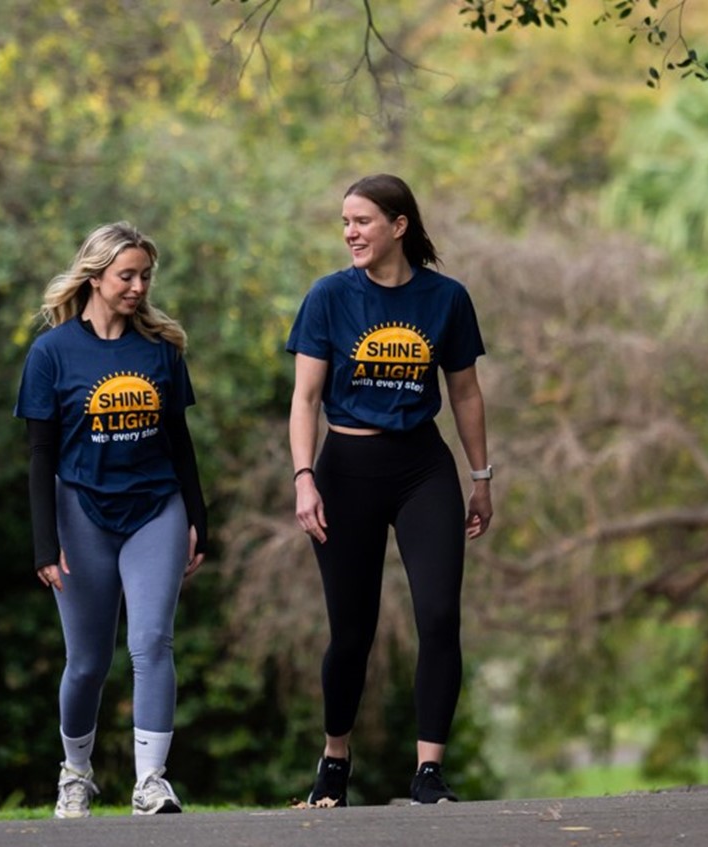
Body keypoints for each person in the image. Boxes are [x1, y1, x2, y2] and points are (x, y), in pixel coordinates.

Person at [287, 174, 493, 806]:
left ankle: (429, 770)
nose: (350, 232)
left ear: (398, 226)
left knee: (438, 614)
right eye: (344, 222)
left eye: (362, 221)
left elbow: (464, 392)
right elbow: (305, 398)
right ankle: (335, 758)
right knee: (353, 629)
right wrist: (303, 478)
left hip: (421, 468)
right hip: (345, 470)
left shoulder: (446, 299)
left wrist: (481, 477)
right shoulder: (328, 297)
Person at [14, 221, 207, 818]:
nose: (139, 286)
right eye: (128, 275)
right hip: (81, 515)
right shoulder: (51, 353)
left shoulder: (160, 349)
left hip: (156, 508)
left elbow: (178, 438)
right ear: (95, 276)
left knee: (152, 641)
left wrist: (198, 517)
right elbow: (41, 453)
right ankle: (76, 772)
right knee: (89, 662)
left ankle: (151, 782)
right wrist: (45, 544)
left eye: (145, 276)